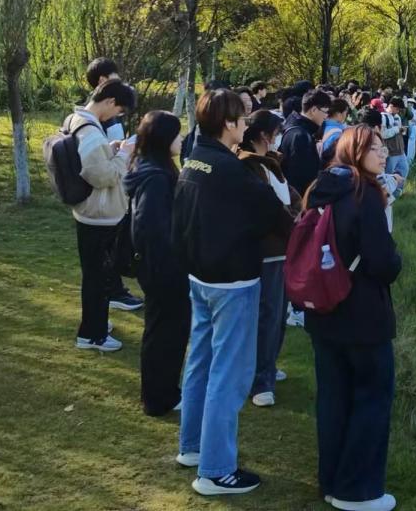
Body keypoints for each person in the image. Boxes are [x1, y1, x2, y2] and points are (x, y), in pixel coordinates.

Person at [173, 89, 294, 497]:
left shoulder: (193, 158)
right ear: (228, 124)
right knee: (229, 374)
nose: (246, 125)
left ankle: (191, 447)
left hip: (200, 278)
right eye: (242, 118)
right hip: (232, 284)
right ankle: (216, 469)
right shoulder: (231, 170)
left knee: (201, 363)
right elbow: (274, 217)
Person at [303, 126, 402, 511]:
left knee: (333, 398)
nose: (381, 154)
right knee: (373, 396)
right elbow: (382, 262)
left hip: (324, 310)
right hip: (362, 314)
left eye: (381, 147)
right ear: (354, 152)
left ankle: (331, 480)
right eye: (373, 148)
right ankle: (357, 490)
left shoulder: (321, 188)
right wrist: (397, 261)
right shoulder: (365, 194)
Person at [124, 110, 189, 416]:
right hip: (163, 268)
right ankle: (159, 396)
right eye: (177, 135)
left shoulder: (154, 168)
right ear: (164, 139)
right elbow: (149, 226)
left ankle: (164, 391)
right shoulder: (156, 177)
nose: (181, 140)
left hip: (162, 265)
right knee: (165, 331)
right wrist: (169, 263)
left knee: (165, 330)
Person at [65, 79, 138, 352]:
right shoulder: (92, 133)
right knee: (97, 277)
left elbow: (94, 163)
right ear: (109, 102)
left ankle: (96, 321)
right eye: (118, 110)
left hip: (90, 212)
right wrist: (124, 155)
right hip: (98, 215)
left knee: (96, 275)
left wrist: (114, 149)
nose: (117, 116)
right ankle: (91, 334)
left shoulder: (77, 121)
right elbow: (103, 175)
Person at [237, 110, 300, 407]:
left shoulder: (270, 162)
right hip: (268, 250)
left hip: (282, 248)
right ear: (265, 134)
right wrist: (291, 221)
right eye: (276, 131)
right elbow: (266, 207)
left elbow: (288, 194)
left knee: (278, 313)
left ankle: (269, 367)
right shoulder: (247, 164)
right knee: (268, 314)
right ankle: (260, 380)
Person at [84, 57, 144, 311]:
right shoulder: (94, 121)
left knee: (109, 251)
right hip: (105, 198)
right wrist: (121, 154)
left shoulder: (101, 116)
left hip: (114, 189)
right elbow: (100, 171)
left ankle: (113, 293)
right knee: (104, 256)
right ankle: (112, 295)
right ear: (102, 81)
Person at [281, 88, 331, 195]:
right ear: (313, 110)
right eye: (325, 112)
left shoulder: (294, 126)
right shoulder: (301, 136)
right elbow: (301, 176)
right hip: (300, 199)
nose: (326, 116)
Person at [381, 98, 408, 179]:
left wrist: (402, 130)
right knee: (388, 175)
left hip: (400, 150)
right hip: (391, 152)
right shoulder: (383, 117)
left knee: (404, 170)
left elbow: (398, 131)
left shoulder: (397, 117)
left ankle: (398, 191)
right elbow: (383, 134)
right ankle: (387, 191)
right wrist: (397, 129)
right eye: (397, 109)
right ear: (391, 106)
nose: (398, 111)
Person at [319, 98, 350, 165]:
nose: (346, 116)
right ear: (338, 114)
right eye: (345, 113)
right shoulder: (337, 134)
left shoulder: (321, 125)